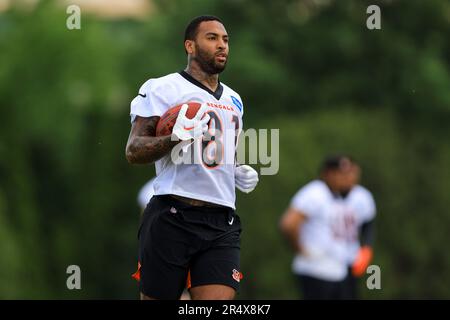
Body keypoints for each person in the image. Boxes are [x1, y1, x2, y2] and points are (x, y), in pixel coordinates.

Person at [125, 15, 259, 300]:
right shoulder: (164, 88)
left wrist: (234, 170)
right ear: (190, 45)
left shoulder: (234, 99)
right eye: (212, 38)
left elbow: (220, 152)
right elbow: (134, 150)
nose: (222, 45)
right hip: (174, 214)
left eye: (225, 40)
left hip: (222, 220)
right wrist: (175, 138)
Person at [279, 155, 376, 299]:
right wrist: (301, 249)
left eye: (351, 173)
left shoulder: (360, 196)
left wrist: (366, 249)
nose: (347, 178)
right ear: (328, 174)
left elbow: (368, 223)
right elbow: (288, 224)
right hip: (317, 269)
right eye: (341, 173)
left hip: (346, 267)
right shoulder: (315, 193)